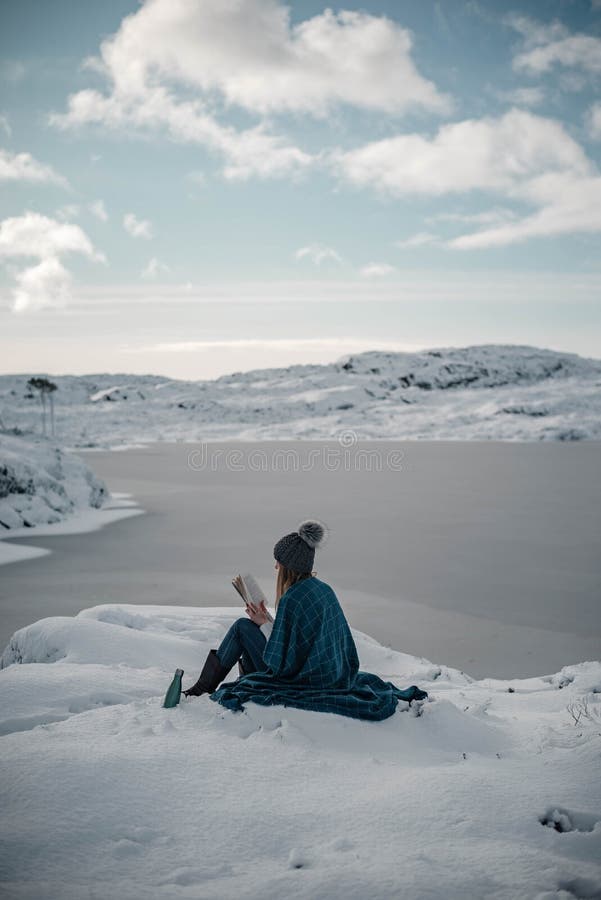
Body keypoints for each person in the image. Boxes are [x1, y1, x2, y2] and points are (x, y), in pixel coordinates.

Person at [183, 519, 427, 720]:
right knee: (248, 630)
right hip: (331, 674)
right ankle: (217, 684)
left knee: (241, 629)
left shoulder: (293, 598)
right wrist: (267, 621)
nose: (275, 566)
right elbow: (300, 641)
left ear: (289, 565)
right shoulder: (323, 589)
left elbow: (280, 662)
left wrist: (263, 625)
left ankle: (202, 689)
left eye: (278, 561)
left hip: (303, 679)